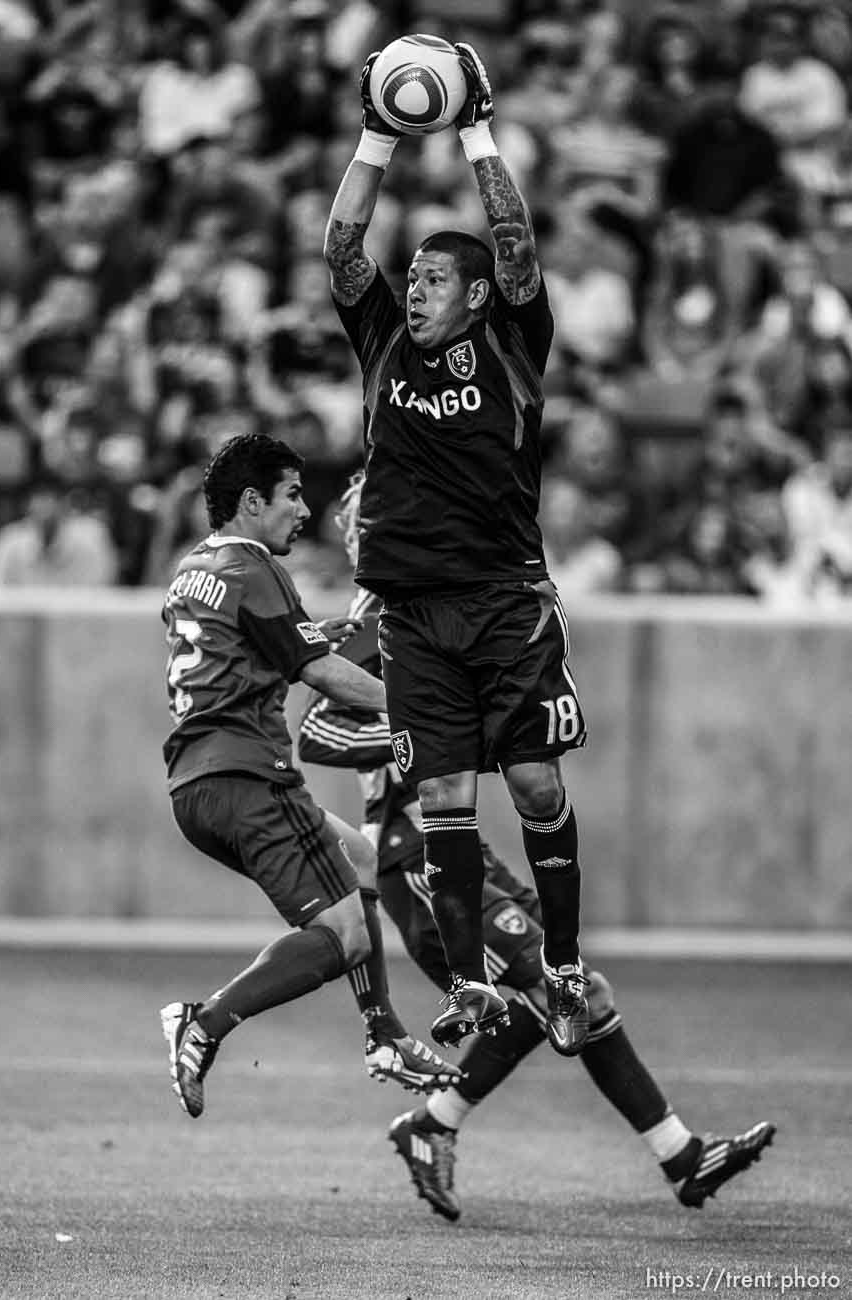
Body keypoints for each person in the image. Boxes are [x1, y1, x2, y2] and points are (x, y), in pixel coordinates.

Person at [295, 472, 777, 1221]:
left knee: (568, 994)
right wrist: (422, 728)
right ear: (368, 533)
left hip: (461, 850)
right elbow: (317, 734)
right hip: (415, 858)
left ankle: (670, 1155)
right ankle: (662, 1153)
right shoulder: (379, 612)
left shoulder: (440, 601)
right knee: (552, 994)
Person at [324, 44, 591, 1056]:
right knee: (442, 796)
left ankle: (562, 969)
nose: (419, 285)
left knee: (530, 785)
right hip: (411, 609)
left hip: (505, 599)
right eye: (418, 274)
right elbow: (342, 247)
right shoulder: (384, 341)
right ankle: (475, 985)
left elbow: (514, 240)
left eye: (438, 276)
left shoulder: (517, 340)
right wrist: (380, 136)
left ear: (478, 295)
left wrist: (476, 129)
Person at [158, 431, 461, 1118]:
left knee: (357, 854)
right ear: (250, 500)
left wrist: (315, 634)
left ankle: (383, 1031)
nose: (303, 509)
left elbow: (258, 646)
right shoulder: (257, 568)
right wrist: (422, 705)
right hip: (249, 777)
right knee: (343, 937)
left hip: (195, 785)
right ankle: (204, 1022)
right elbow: (318, 673)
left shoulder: (193, 569)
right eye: (291, 494)